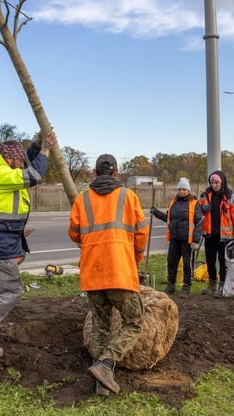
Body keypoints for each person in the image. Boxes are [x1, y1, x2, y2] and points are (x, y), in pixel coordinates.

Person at [0, 130, 57, 359]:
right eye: (18, 161)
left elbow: (25, 160)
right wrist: (46, 150)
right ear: (9, 159)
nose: (21, 165)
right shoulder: (0, 174)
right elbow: (33, 175)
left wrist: (36, 143)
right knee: (11, 291)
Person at [68, 153, 150, 396]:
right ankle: (106, 364)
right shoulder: (128, 196)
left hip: (93, 273)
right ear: (116, 174)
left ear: (95, 173)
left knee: (101, 326)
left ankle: (101, 383)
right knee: (134, 322)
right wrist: (134, 259)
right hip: (119, 271)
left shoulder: (82, 199)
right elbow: (141, 234)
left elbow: (74, 233)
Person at [150, 177, 203, 299]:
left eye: (184, 189)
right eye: (180, 189)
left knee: (187, 263)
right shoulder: (173, 202)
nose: (182, 191)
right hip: (175, 238)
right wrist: (156, 212)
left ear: (188, 190)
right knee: (171, 261)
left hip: (187, 240)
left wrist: (196, 240)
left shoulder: (194, 203)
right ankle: (171, 285)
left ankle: (186, 286)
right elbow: (168, 218)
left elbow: (199, 223)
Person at [198, 170, 234, 296]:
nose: (214, 185)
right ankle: (212, 285)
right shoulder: (205, 195)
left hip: (225, 237)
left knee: (223, 262)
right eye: (212, 182)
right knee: (210, 261)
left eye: (216, 182)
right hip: (210, 235)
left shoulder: (231, 197)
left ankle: (223, 286)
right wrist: (201, 209)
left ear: (222, 182)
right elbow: (197, 211)